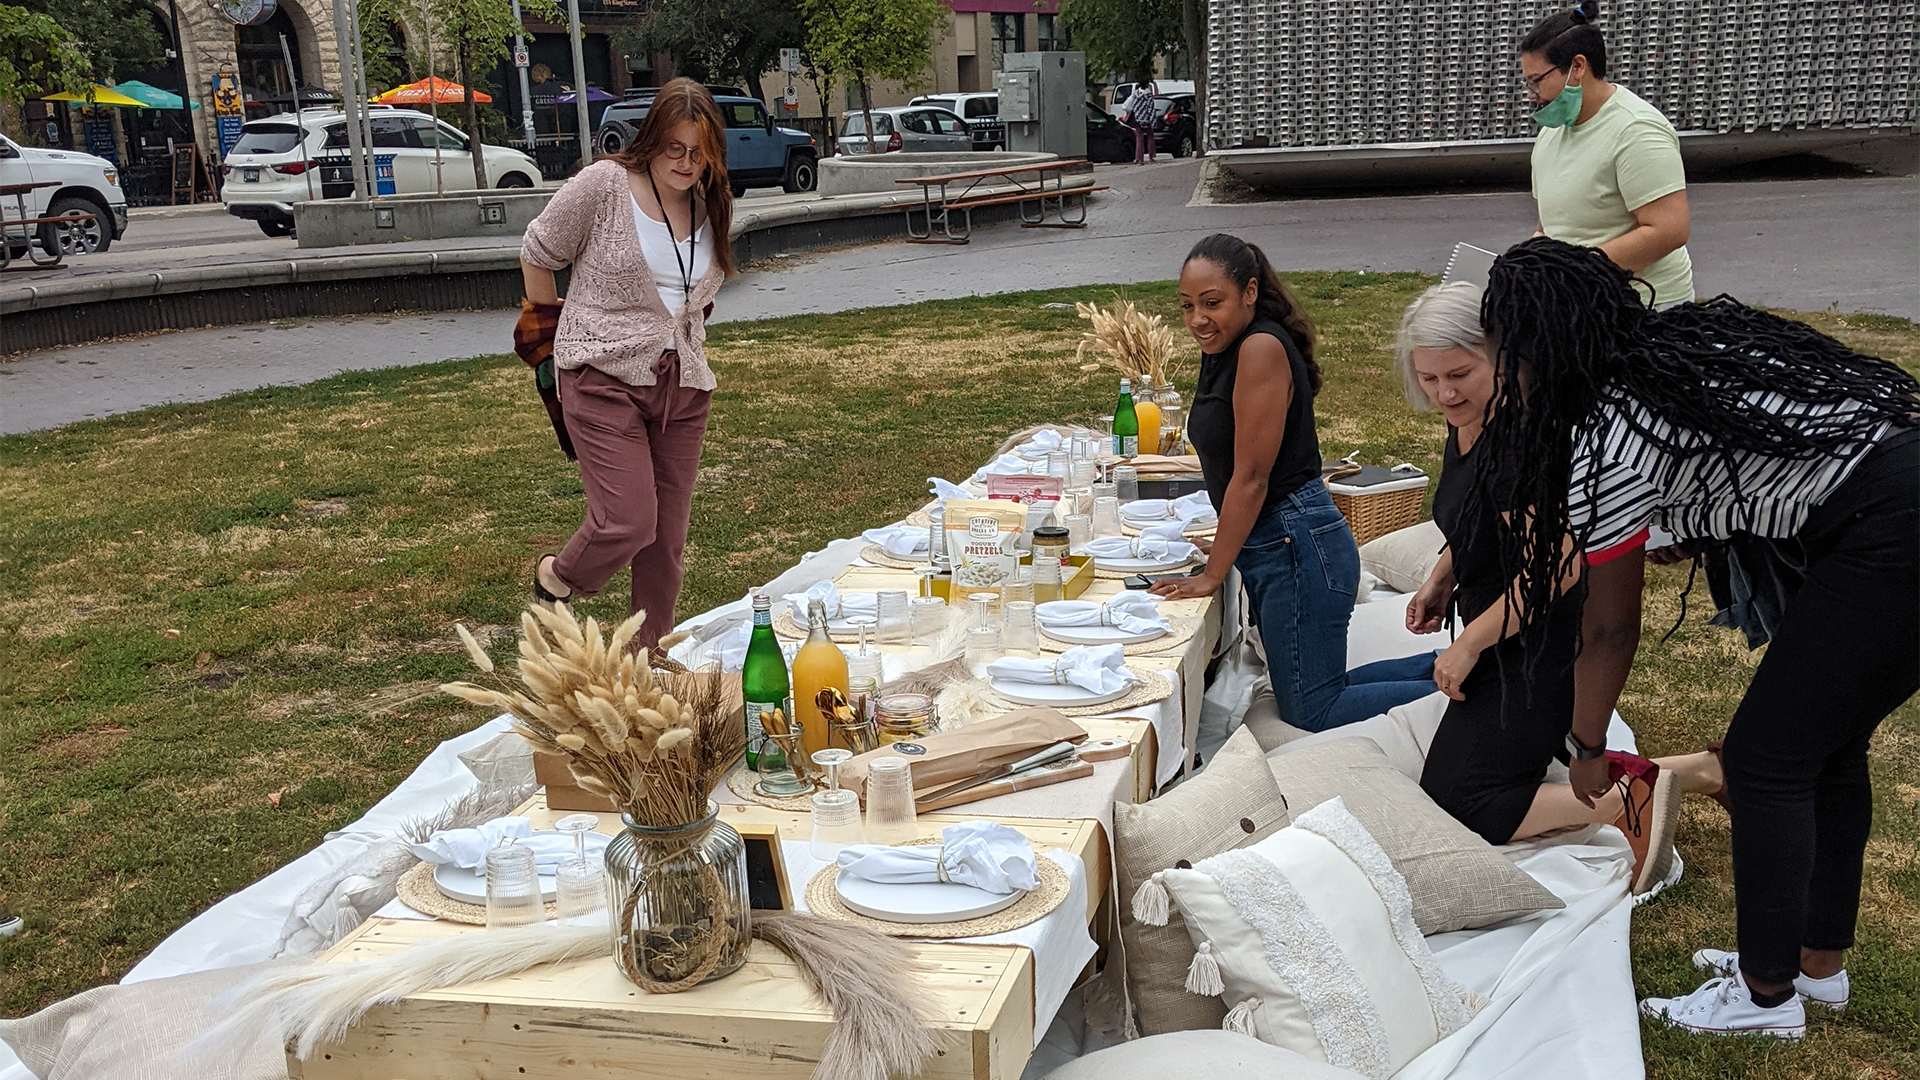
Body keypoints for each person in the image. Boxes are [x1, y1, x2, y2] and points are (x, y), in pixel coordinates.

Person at [1467, 237, 1918, 1038]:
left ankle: (1764, 998)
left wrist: (1585, 746)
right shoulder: (1681, 345)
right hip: (1897, 493)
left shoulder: (1606, 437)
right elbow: (1751, 456)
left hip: (1891, 530)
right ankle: (1815, 969)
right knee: (1826, 747)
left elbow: (1608, 629)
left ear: (1527, 347)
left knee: (1765, 760)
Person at [1396, 281, 1726, 897]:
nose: (1444, 392)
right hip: (1504, 634)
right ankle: (1707, 770)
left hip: (1543, 645)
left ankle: (1631, 797)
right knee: (1456, 790)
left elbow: (1561, 567)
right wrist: (1443, 577)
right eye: (1430, 378)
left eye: (1460, 373)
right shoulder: (1467, 418)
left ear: (1501, 355)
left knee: (1464, 803)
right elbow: (1473, 519)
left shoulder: (1518, 443)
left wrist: (1469, 641)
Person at [1153, 234, 1436, 732]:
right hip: (1281, 541)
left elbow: (1254, 478)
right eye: (1187, 306)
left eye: (1211, 303)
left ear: (1250, 291)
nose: (1198, 318)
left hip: (1297, 545)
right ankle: (1459, 671)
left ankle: (1476, 689)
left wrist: (1213, 572)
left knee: (1312, 708)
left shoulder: (1260, 347)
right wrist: (1224, 541)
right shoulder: (1227, 344)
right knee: (1320, 689)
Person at [516, 79, 734, 649]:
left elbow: (694, 293)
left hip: (682, 385)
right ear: (652, 140)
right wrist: (544, 333)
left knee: (666, 538)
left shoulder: (711, 200)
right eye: (675, 149)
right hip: (600, 375)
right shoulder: (606, 185)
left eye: (698, 152)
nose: (686, 164)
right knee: (629, 520)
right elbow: (539, 252)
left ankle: (648, 653)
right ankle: (558, 576)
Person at [1521, 1, 1694, 309]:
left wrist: (1578, 270)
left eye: (1536, 81)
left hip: (1644, 312)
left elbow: (1669, 230)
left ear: (1577, 67)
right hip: (1580, 307)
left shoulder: (1636, 129)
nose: (1530, 93)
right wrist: (1525, 264)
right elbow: (1551, 226)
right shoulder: (1552, 132)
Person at [1122, 80, 1159, 164]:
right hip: (1146, 119)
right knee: (1150, 137)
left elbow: (1128, 105)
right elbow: (1151, 108)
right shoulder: (1148, 95)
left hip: (1137, 119)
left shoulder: (1134, 94)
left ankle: (1139, 158)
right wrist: (1153, 121)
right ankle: (1151, 156)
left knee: (1139, 139)